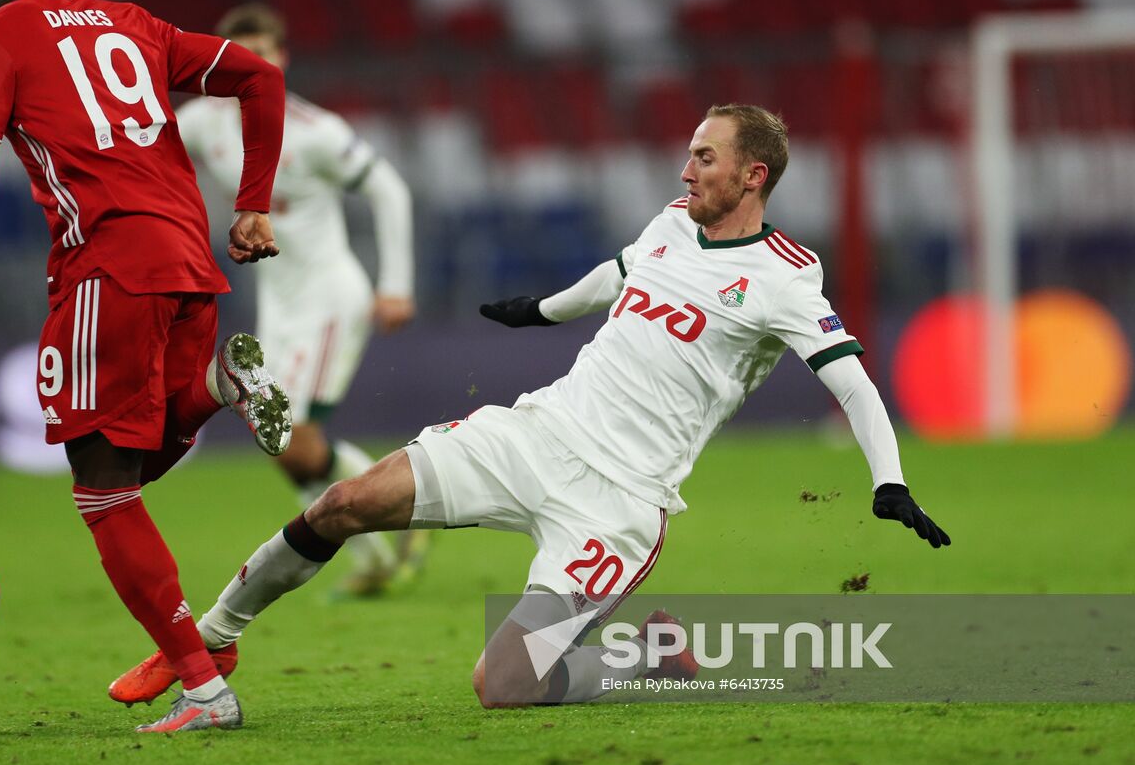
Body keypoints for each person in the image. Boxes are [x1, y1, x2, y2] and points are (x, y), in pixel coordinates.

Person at [109, 103, 952, 716]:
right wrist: (539, 311)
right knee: (344, 502)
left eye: (704, 157)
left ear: (752, 175)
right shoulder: (671, 224)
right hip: (537, 433)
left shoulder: (785, 278)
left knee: (504, 685)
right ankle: (211, 637)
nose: (686, 170)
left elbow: (853, 383)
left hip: (618, 504)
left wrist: (889, 481)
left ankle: (645, 654)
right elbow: (616, 275)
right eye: (689, 155)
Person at [0, 0, 293, 733]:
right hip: (189, 262)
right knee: (129, 472)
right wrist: (252, 203)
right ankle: (215, 388)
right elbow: (262, 75)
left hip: (109, 266)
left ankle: (204, 692)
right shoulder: (135, 24)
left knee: (103, 493)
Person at [179, 8, 422, 595]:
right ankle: (384, 548)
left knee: (289, 437)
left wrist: (396, 284)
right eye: (240, 55)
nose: (251, 65)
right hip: (279, 305)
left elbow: (389, 188)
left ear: (282, 58)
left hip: (329, 298)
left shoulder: (315, 130)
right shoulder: (203, 123)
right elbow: (142, 152)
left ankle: (399, 524)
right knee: (280, 442)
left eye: (262, 53)